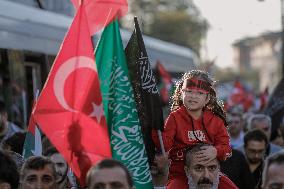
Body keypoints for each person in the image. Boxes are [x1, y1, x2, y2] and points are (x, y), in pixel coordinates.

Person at [152, 70, 233, 189]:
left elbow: (227, 150)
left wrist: (216, 151)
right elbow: (165, 145)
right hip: (180, 175)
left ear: (207, 98)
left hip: (209, 175)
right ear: (181, 93)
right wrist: (154, 128)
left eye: (199, 93)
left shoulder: (216, 121)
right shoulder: (174, 118)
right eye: (189, 91)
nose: (193, 96)